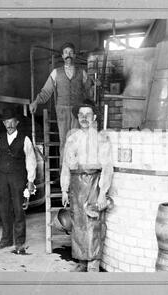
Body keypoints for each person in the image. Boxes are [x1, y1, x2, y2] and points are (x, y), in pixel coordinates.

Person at [60, 100, 113, 272]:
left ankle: (93, 265)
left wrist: (103, 193)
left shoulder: (101, 139)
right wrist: (64, 189)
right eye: (81, 115)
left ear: (94, 117)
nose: (84, 118)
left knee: (93, 225)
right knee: (78, 226)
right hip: (76, 186)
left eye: (88, 114)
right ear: (77, 117)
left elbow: (107, 167)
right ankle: (82, 261)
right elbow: (66, 166)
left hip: (93, 184)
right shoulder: (72, 138)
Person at [29, 42, 96, 165]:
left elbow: (90, 91)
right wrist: (36, 102)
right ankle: (64, 176)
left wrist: (95, 84)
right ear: (62, 56)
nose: (68, 55)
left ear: (74, 56)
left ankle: (76, 174)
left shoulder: (82, 73)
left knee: (77, 141)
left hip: (78, 112)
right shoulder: (56, 72)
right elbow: (46, 92)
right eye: (66, 53)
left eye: (71, 53)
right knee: (64, 142)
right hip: (62, 111)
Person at [0, 108, 37, 251]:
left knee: (18, 209)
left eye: (11, 122)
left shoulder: (25, 139)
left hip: (18, 177)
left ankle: (20, 241)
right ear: (3, 124)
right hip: (2, 177)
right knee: (4, 209)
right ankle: (6, 240)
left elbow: (31, 161)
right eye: (6, 122)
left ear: (16, 123)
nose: (9, 125)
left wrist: (30, 181)